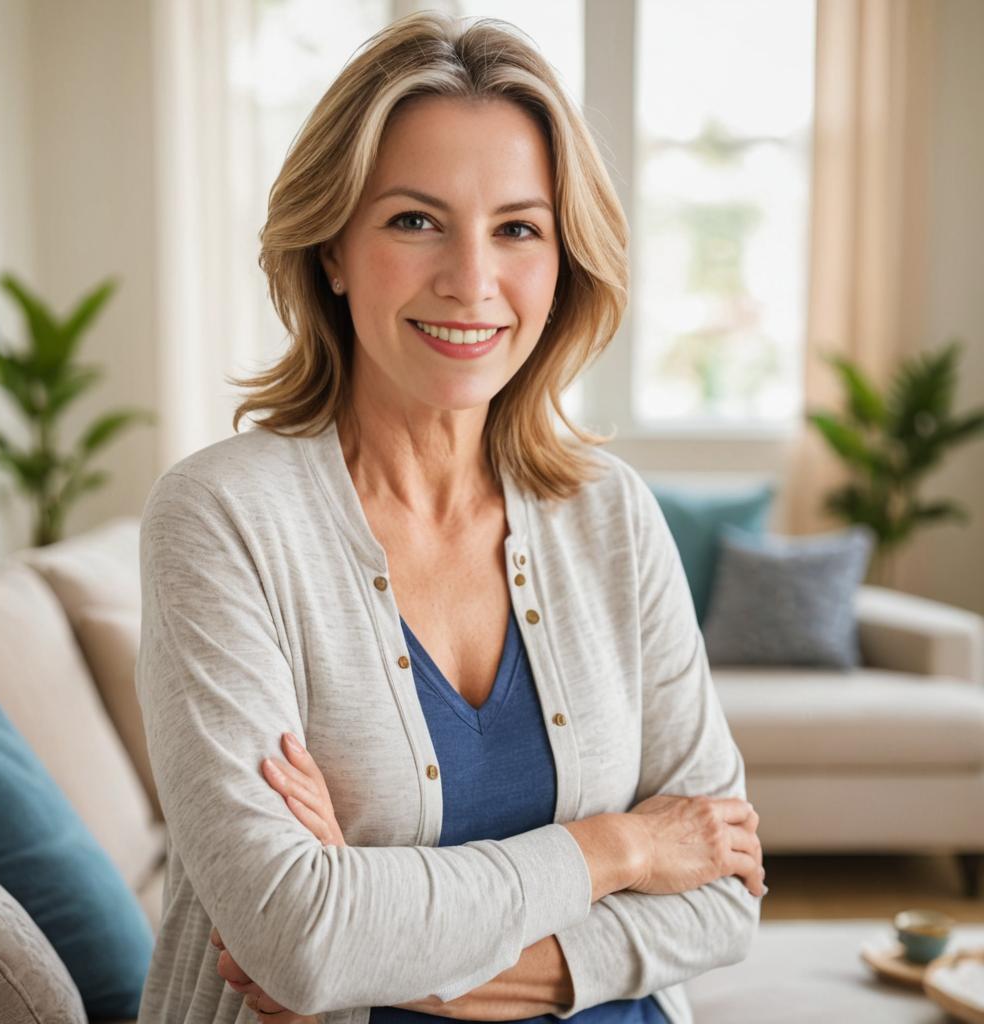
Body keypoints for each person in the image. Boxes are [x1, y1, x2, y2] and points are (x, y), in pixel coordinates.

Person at [134, 11, 765, 1024]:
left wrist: (387, 941)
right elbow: (295, 933)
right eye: (415, 220)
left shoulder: (610, 515)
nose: (471, 281)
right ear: (331, 247)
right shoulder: (221, 519)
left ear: (564, 265)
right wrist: (624, 849)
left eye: (517, 228)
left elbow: (725, 898)